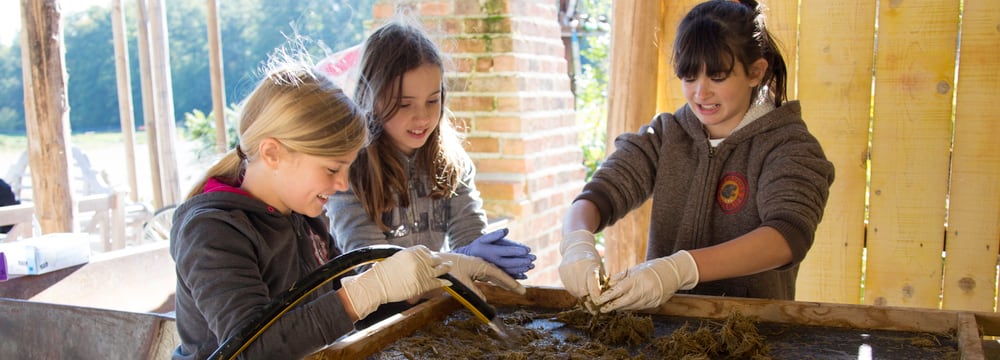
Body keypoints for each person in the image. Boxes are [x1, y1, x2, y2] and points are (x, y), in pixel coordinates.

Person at [169, 50, 524, 359]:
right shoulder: (213, 231)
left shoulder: (302, 217)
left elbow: (335, 313)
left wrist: (427, 282)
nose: (341, 184)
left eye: (347, 168)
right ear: (273, 153)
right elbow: (253, 351)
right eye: (331, 169)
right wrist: (373, 287)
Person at [559, 0, 835, 314]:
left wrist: (681, 269)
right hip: (663, 328)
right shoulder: (666, 135)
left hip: (752, 332)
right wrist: (577, 242)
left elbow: (787, 236)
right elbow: (600, 193)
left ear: (756, 72)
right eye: (689, 78)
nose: (700, 94)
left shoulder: (789, 146)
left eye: (717, 77)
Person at [324, 18, 536, 280]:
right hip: (378, 318)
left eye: (432, 100)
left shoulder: (451, 162)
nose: (422, 117)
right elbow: (372, 270)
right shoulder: (348, 173)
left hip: (437, 303)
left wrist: (485, 255)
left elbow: (469, 238)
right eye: (404, 104)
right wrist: (463, 259)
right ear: (371, 99)